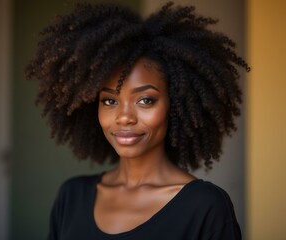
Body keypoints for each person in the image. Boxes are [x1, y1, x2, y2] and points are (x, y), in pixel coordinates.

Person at [25, 2, 249, 239]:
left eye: (145, 100)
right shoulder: (71, 196)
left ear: (175, 105)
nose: (124, 117)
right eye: (109, 101)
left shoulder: (206, 206)